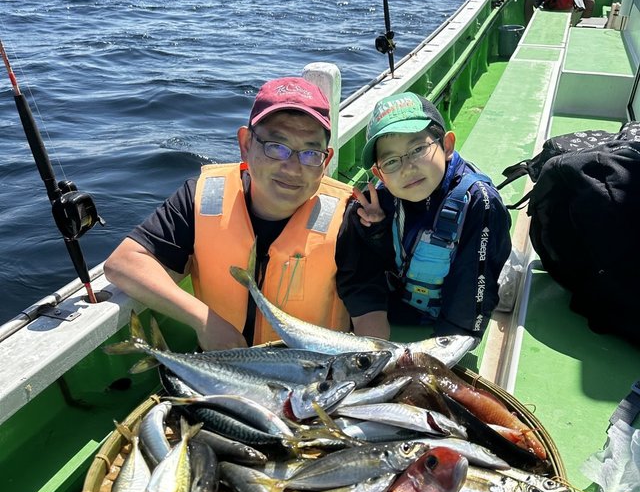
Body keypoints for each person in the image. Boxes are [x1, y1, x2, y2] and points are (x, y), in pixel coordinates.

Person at [104, 77, 353, 349]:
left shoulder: (349, 216)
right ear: (245, 144)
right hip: (221, 369)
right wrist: (204, 320)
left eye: (310, 153)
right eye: (276, 147)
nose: (293, 168)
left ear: (326, 161)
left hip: (318, 379)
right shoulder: (203, 197)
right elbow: (122, 263)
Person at [335, 92, 512, 340]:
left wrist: (442, 356)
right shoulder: (375, 204)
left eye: (418, 149)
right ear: (380, 173)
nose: (408, 168)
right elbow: (360, 278)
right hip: (402, 309)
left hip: (451, 317)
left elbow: (469, 301)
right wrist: (375, 233)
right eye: (391, 161)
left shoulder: (479, 203)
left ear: (447, 145)